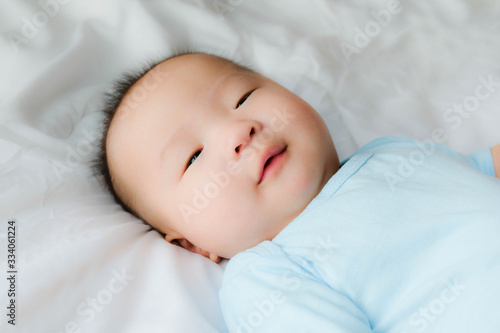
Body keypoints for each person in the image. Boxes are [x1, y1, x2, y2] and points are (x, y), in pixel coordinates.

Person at [95, 51, 500, 332]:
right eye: (194, 156)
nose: (239, 130)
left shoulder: (392, 154)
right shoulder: (267, 276)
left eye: (243, 97)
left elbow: (483, 169)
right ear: (192, 245)